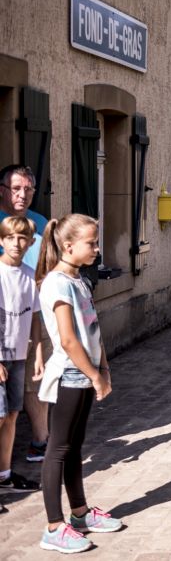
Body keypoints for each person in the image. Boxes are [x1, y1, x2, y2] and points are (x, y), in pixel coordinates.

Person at [35, 213, 121, 553]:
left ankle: (81, 514)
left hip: (84, 375)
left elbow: (92, 330)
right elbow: (69, 340)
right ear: (68, 245)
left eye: (97, 242)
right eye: (92, 243)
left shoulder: (79, 281)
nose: (97, 249)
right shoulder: (57, 283)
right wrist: (94, 375)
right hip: (69, 376)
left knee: (74, 447)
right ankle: (54, 527)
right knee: (58, 449)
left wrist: (105, 369)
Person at [0, 165, 50, 463]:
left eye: (28, 189)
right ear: (2, 190)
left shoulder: (40, 223)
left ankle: (40, 440)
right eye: (16, 188)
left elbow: (49, 265)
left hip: (32, 312)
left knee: (34, 379)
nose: (23, 195)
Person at [0, 215, 43, 495]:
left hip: (19, 355)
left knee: (13, 414)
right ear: (1, 240)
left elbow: (36, 318)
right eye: (10, 238)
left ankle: (3, 475)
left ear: (30, 243)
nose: (17, 243)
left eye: (22, 238)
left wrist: (38, 353)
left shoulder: (28, 275)